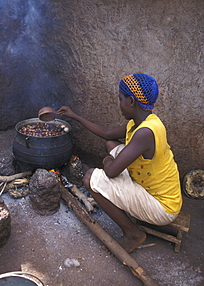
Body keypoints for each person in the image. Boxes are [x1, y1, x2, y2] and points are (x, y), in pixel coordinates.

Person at [57, 73, 182, 253]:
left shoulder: (145, 133)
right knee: (111, 144)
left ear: (131, 101)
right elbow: (108, 134)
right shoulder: (142, 121)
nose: (119, 104)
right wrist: (75, 116)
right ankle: (131, 215)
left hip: (162, 206)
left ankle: (133, 234)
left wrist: (108, 160)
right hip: (154, 188)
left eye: (120, 99)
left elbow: (111, 172)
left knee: (91, 178)